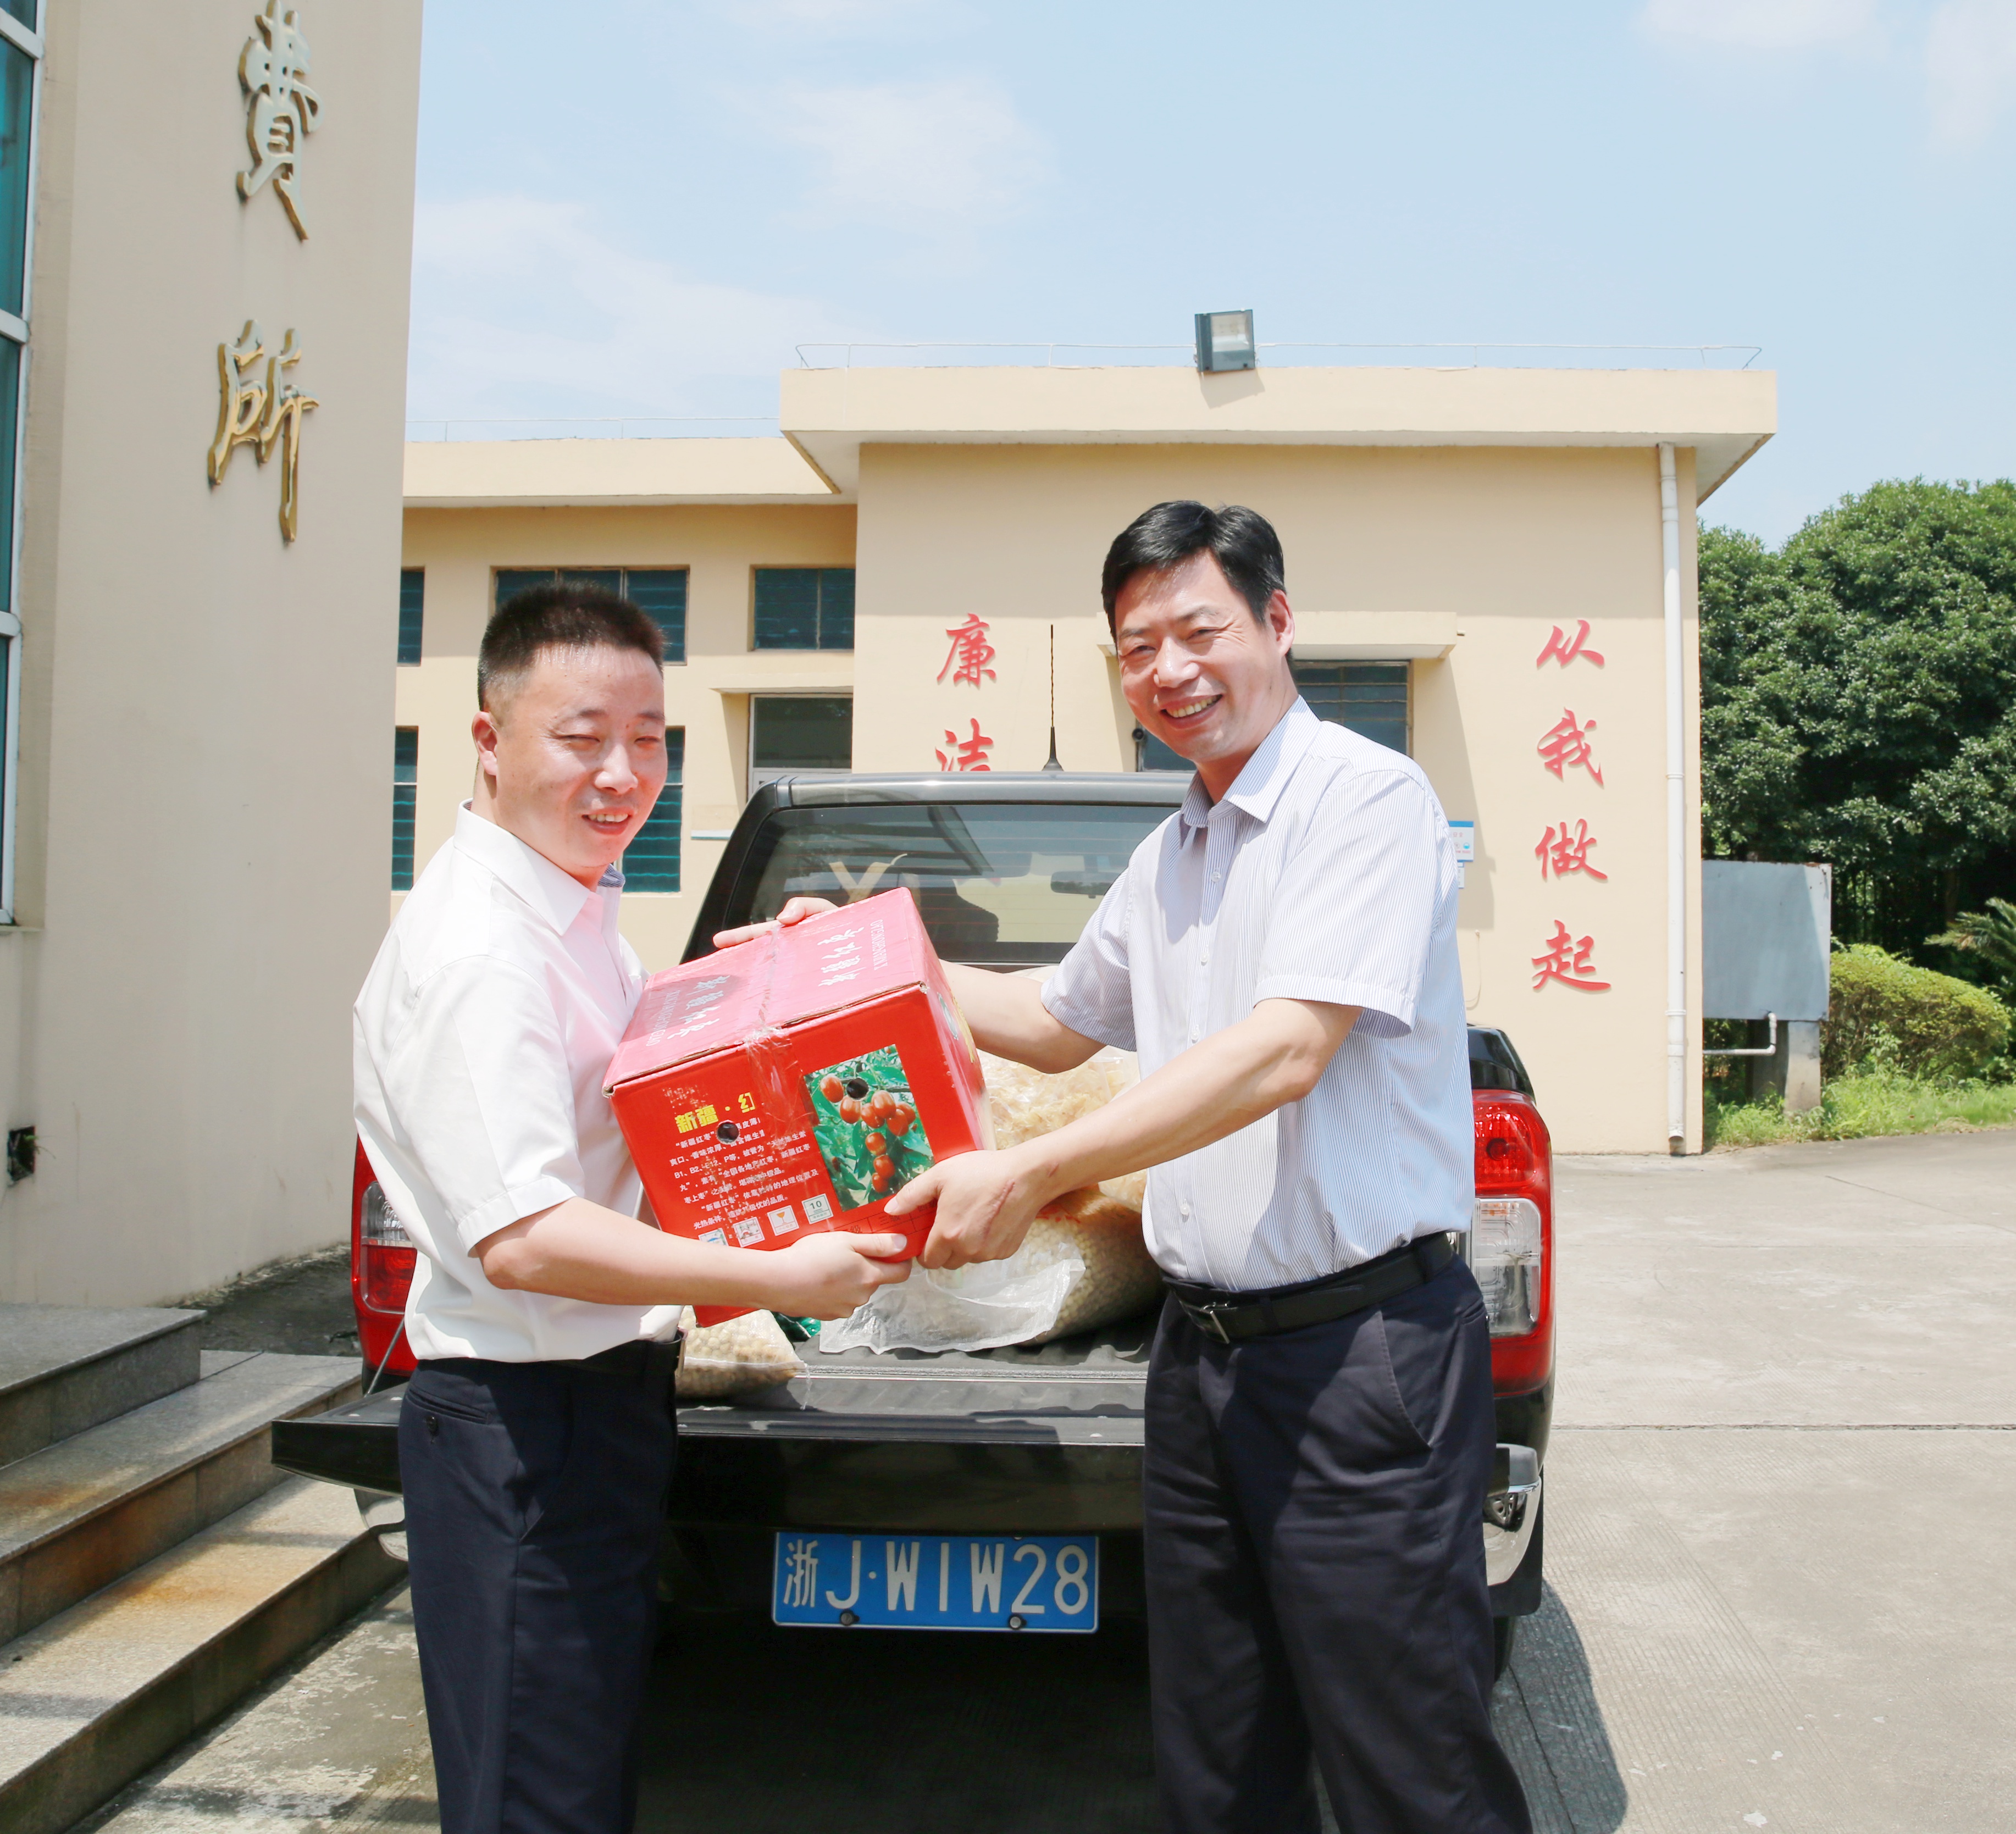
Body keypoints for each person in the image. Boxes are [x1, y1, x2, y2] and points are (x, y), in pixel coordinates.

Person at [726, 503, 1528, 1833]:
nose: (1169, 669)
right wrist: (864, 953)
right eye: (1138, 645)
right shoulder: (1171, 855)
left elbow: (1286, 1049)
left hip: (1358, 1358)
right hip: (1199, 1363)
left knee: (1409, 1764)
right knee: (1218, 1755)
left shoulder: (1364, 801)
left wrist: (1033, 1172)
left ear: (1277, 621)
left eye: (1198, 630)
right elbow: (1052, 1020)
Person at [353, 581, 910, 1834]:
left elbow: (639, 1099)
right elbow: (527, 1236)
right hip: (522, 1428)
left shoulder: (575, 911)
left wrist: (763, 977)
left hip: (593, 1408)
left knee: (579, 1770)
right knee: (535, 1793)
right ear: (489, 740)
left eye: (649, 738)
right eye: (582, 737)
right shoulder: (481, 951)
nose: (622, 774)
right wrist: (779, 1278)